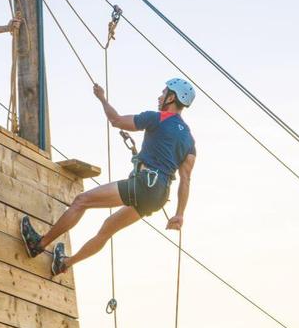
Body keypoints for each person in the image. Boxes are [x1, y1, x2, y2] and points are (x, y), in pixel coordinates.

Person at [21, 78, 198, 275]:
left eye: (164, 93)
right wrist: (179, 214)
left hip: (144, 185)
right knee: (108, 228)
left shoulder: (158, 118)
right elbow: (185, 180)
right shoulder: (189, 140)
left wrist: (102, 99)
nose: (160, 96)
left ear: (171, 98)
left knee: (81, 201)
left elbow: (116, 121)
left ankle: (39, 244)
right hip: (159, 196)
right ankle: (63, 264)